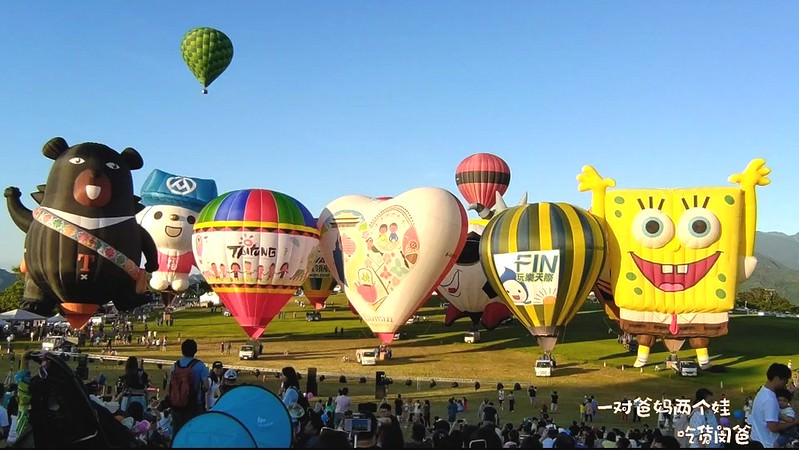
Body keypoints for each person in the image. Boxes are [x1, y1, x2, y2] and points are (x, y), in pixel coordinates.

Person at [166, 339, 209, 435]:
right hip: (194, 404)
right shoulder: (200, 365)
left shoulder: (176, 365)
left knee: (177, 431)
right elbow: (206, 386)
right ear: (195, 350)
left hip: (176, 403)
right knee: (193, 431)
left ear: (182, 350)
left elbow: (170, 384)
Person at [750, 363, 796, 447]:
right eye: (785, 380)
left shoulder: (762, 392)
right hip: (767, 444)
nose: (785, 384)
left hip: (757, 440)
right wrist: (795, 422)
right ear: (777, 378)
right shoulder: (770, 399)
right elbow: (773, 427)